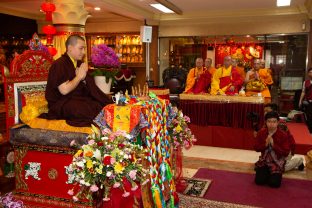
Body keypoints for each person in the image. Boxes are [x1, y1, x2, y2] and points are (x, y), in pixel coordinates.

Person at [44, 35, 112, 127]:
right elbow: (64, 90)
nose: (83, 52)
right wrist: (79, 77)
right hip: (61, 103)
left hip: (77, 99)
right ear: (70, 48)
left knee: (99, 105)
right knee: (80, 109)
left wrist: (84, 79)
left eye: (84, 49)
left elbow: (90, 88)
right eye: (81, 48)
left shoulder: (79, 64)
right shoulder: (59, 64)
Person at [254, 111, 290, 188]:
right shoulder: (261, 133)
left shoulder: (283, 135)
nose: (271, 124)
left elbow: (286, 152)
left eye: (274, 122)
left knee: (274, 184)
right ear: (266, 122)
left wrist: (274, 145)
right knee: (259, 181)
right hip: (264, 161)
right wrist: (265, 144)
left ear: (278, 122)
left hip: (277, 162)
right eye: (269, 121)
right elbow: (256, 148)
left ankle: (297, 161)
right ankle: (268, 173)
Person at [264, 103, 304, 172]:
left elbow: (283, 148)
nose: (265, 113)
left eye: (267, 111)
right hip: (275, 149)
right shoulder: (266, 122)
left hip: (286, 149)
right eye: (264, 111)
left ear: (275, 112)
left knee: (280, 168)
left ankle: (299, 161)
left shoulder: (281, 125)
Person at [299, 67, 312, 134]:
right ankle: (309, 131)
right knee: (309, 116)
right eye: (310, 72)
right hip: (308, 102)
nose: (311, 73)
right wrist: (300, 101)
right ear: (308, 74)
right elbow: (303, 92)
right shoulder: (305, 82)